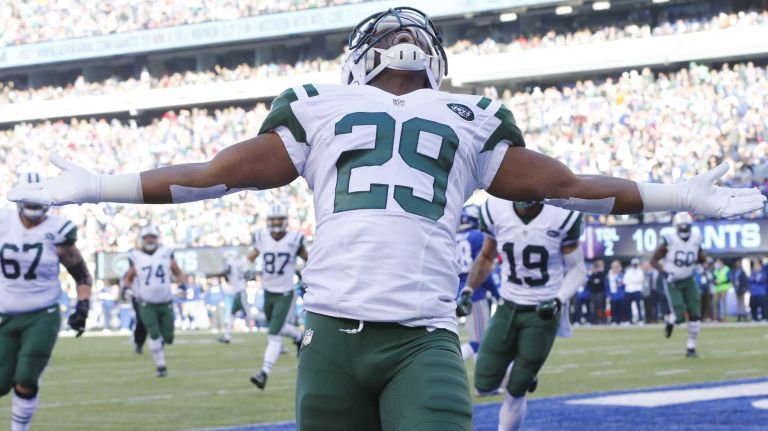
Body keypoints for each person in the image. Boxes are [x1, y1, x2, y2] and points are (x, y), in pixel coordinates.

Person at [8, 7, 765, 430]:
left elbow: (210, 178)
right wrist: (677, 194)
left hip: (372, 336)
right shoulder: (466, 115)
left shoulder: (326, 105)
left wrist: (99, 183)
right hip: (389, 338)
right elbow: (570, 187)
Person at [462, 199, 585, 431]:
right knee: (483, 384)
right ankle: (520, 372)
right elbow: (486, 257)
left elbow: (578, 269)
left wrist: (558, 299)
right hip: (508, 305)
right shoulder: (494, 209)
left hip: (542, 312)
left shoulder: (561, 215)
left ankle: (521, 378)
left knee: (516, 390)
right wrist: (469, 289)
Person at [0, 173, 92, 431]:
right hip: (4, 313)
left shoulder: (57, 230)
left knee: (26, 377)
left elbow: (81, 274)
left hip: (42, 313)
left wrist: (83, 307)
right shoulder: (3, 222)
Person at [246, 203, 308, 389]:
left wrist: (306, 275)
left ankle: (264, 373)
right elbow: (250, 258)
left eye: (279, 219)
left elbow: (310, 259)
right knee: (277, 327)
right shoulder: (262, 237)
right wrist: (248, 270)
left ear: (285, 221)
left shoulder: (294, 239)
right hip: (268, 291)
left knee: (273, 334)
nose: (276, 222)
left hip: (284, 293)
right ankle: (299, 337)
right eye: (273, 219)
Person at [121, 225, 185, 377]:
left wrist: (182, 285)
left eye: (152, 237)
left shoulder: (165, 253)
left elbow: (178, 272)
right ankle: (161, 366)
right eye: (146, 238)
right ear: (142, 240)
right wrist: (126, 289)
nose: (149, 240)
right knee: (153, 333)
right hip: (146, 302)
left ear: (157, 239)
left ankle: (159, 346)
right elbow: (129, 277)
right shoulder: (136, 256)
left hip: (166, 300)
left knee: (169, 338)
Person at [651, 212, 707, 358]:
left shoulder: (696, 237)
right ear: (676, 227)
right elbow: (653, 260)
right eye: (681, 226)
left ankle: (691, 348)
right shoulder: (669, 239)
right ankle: (671, 320)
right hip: (673, 281)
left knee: (695, 314)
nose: (684, 228)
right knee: (679, 316)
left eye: (686, 226)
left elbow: (701, 256)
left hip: (689, 279)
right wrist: (664, 273)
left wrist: (704, 264)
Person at [455, 204, 499, 362]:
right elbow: (482, 269)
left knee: (478, 340)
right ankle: (449, 363)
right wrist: (497, 293)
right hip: (474, 293)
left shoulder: (454, 237)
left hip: (454, 292)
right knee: (479, 342)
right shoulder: (478, 236)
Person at [219, 251, 253, 343]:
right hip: (238, 292)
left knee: (249, 315)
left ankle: (270, 319)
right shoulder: (239, 262)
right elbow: (247, 271)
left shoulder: (230, 263)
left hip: (241, 292)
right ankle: (227, 336)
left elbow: (227, 271)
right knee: (232, 314)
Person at [623, 258, 645, 323]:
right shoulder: (628, 271)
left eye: (636, 264)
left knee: (639, 305)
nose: (635, 265)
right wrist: (634, 280)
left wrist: (631, 280)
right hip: (628, 290)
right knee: (628, 306)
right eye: (634, 264)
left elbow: (640, 280)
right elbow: (625, 281)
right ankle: (629, 320)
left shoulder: (640, 271)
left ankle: (640, 319)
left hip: (637, 290)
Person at [606, 260, 627, 325]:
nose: (615, 268)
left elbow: (625, 285)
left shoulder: (621, 275)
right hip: (612, 295)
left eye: (617, 267)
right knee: (613, 308)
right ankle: (614, 320)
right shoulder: (609, 276)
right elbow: (606, 286)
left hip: (621, 294)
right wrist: (608, 295)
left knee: (621, 308)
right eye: (614, 267)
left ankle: (621, 320)